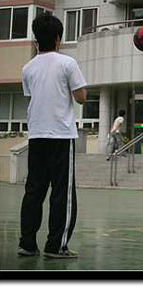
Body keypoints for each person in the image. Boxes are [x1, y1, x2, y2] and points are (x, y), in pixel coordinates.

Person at [19, 14, 87, 258]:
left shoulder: (28, 68)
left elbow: (33, 96)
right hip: (60, 135)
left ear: (37, 41)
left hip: (36, 134)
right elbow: (81, 97)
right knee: (62, 192)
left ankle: (27, 243)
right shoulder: (67, 63)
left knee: (34, 190)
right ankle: (56, 245)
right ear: (58, 38)